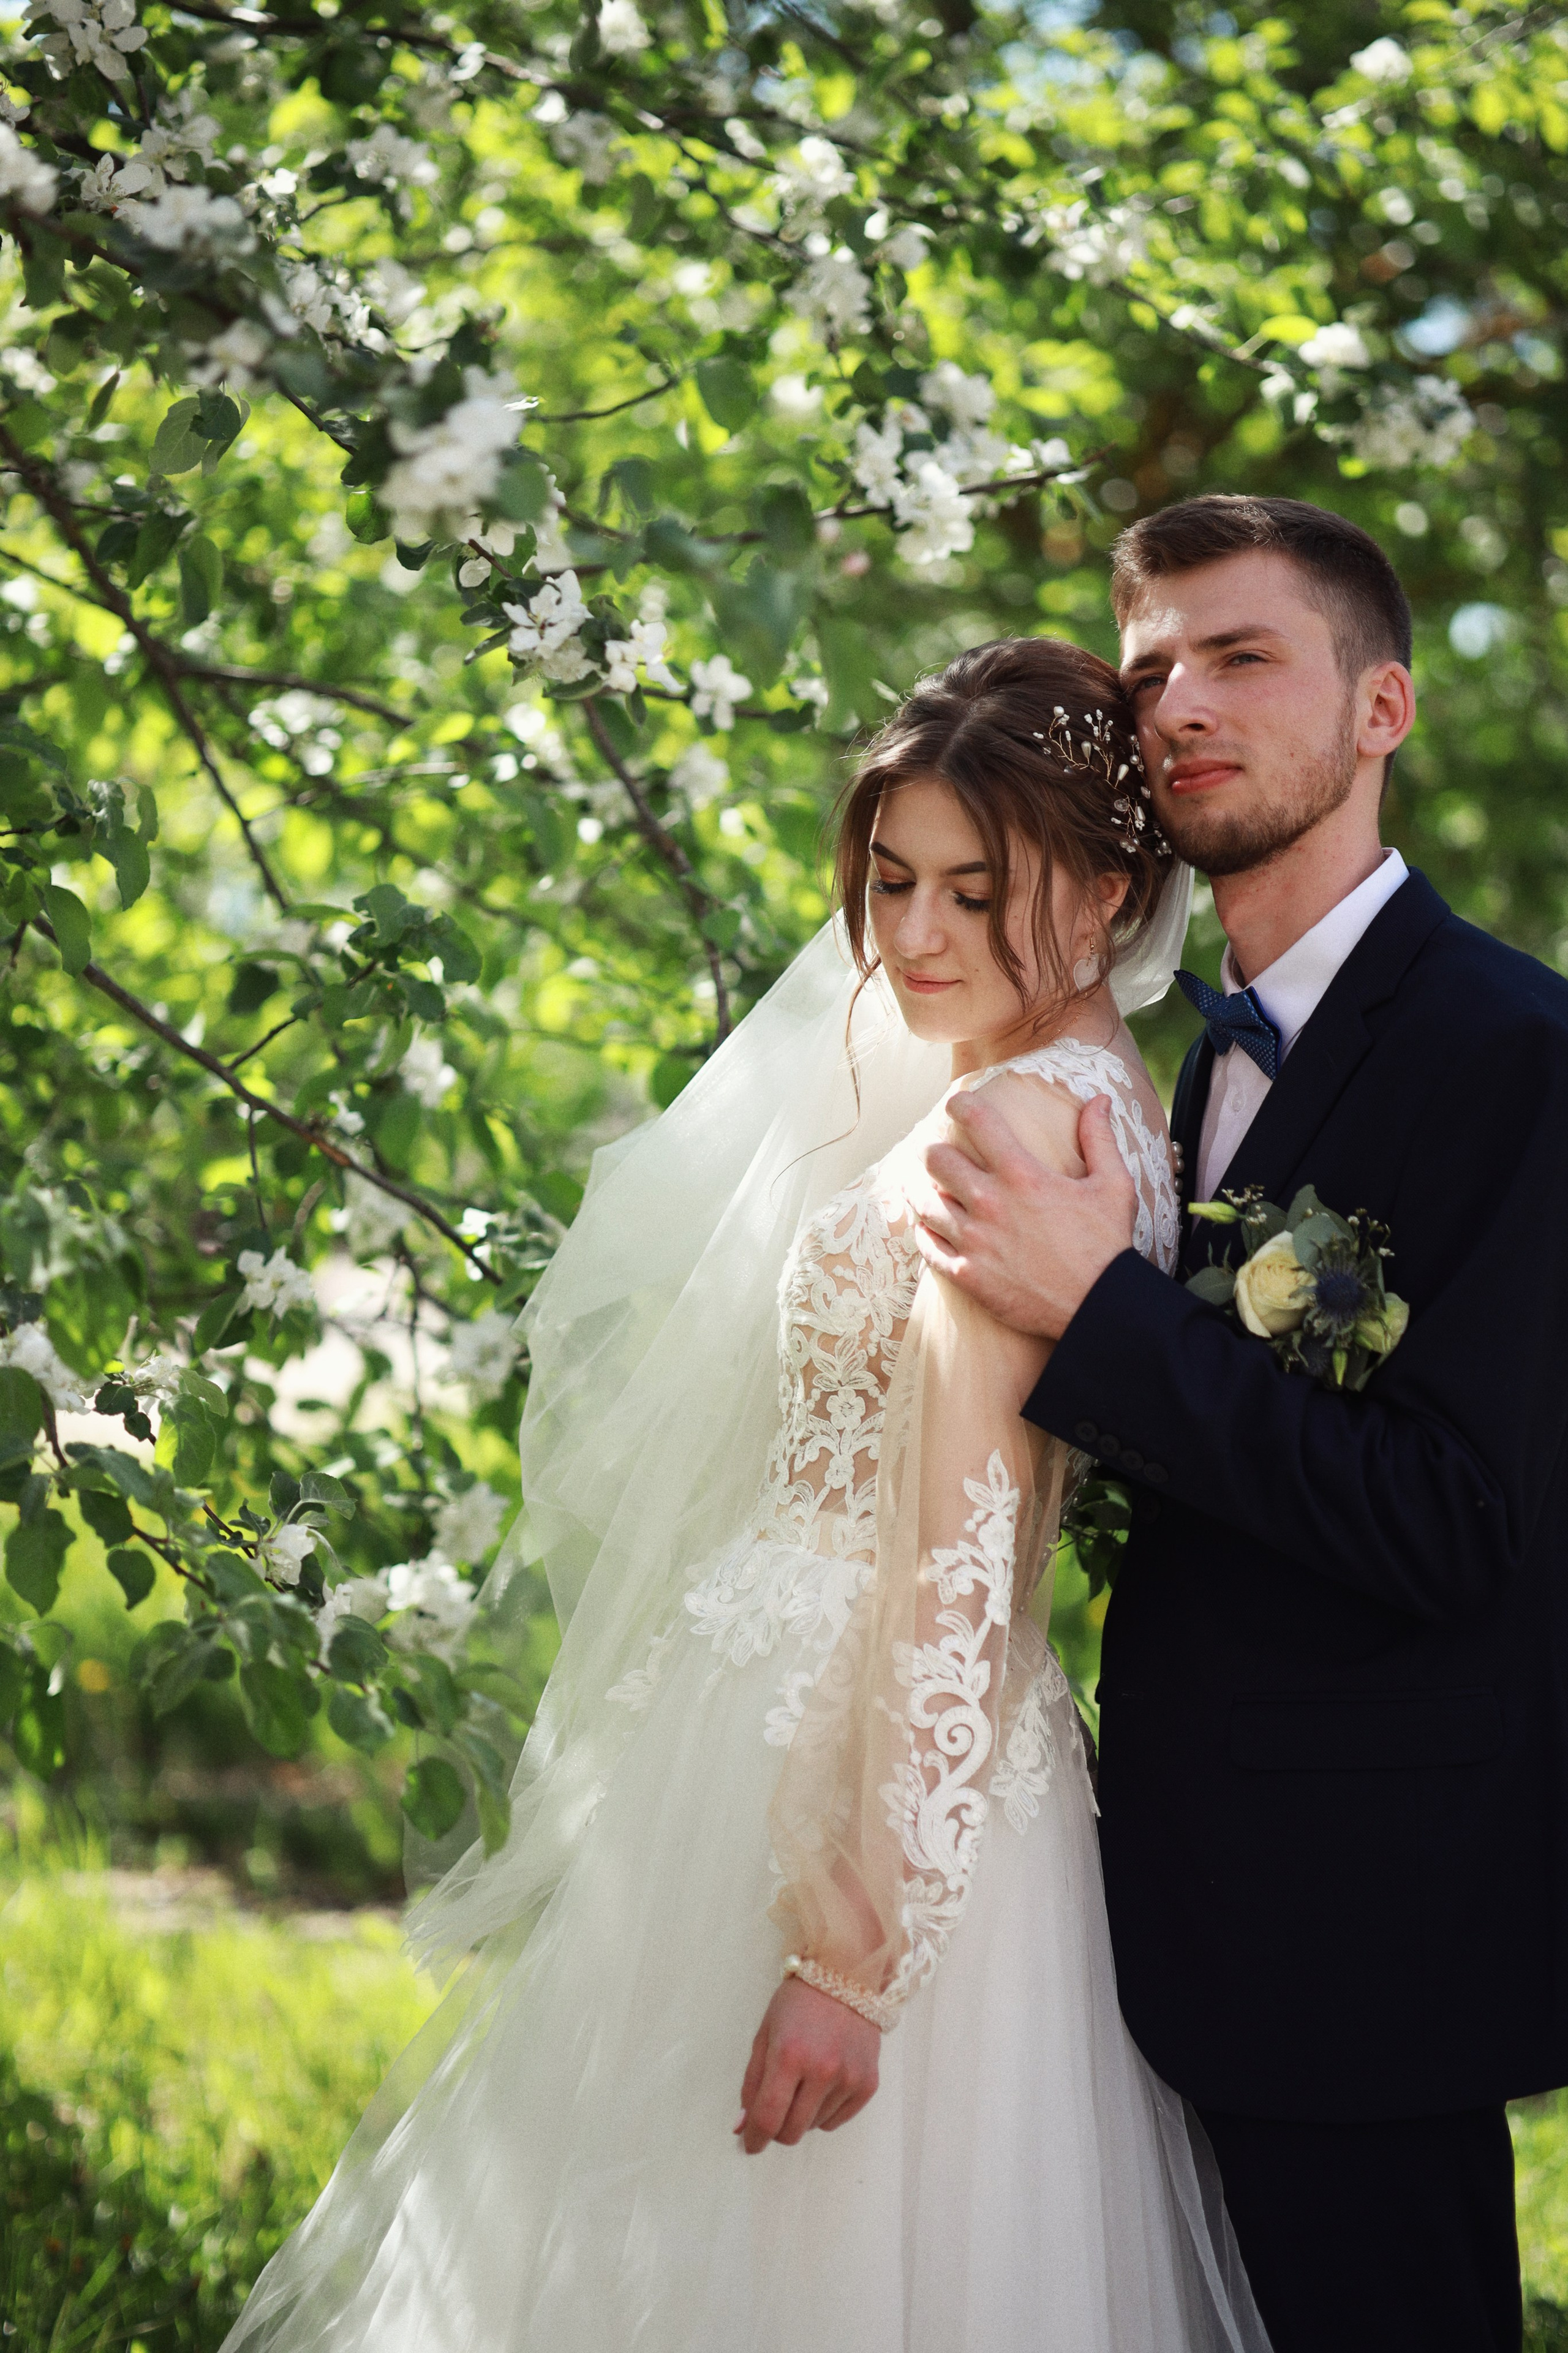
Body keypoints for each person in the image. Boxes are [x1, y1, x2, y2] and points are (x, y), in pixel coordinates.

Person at [220, 636, 1268, 2353]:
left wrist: (852, 1952)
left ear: (1106, 885)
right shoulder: (1108, 1102)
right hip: (874, 1743)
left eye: (972, 892)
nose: (914, 937)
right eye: (893, 881)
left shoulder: (1007, 1135)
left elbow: (960, 1544)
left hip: (853, 1774)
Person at [918, 494, 1568, 2353]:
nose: (1180, 700)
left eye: (1243, 655)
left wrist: (1103, 1317)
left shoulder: (1518, 1055)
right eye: (1149, 670)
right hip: (1155, 1910)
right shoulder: (1183, 1054)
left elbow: (1457, 1516)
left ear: (1385, 712)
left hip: (1369, 1933)